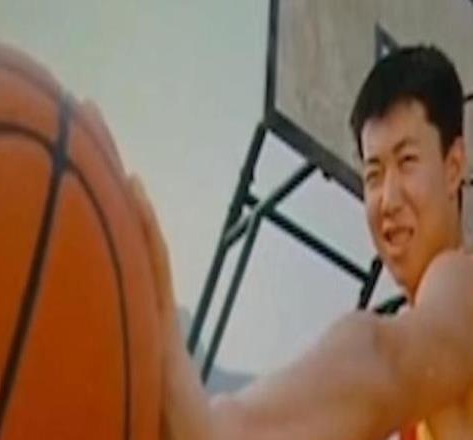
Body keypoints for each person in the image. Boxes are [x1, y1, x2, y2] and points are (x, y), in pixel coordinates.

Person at [131, 45, 473, 440]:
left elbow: (381, 356)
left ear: (454, 167)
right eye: (374, 175)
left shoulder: (462, 280)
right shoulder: (427, 390)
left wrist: (214, 426)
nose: (388, 200)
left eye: (408, 161)